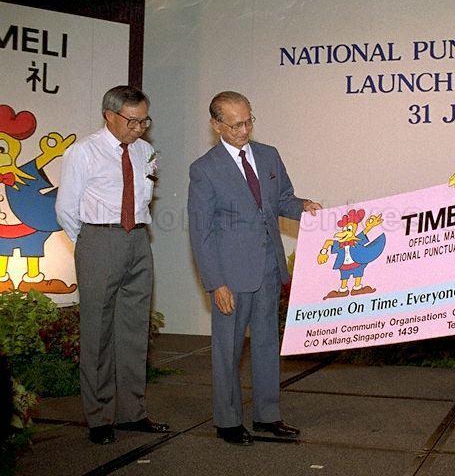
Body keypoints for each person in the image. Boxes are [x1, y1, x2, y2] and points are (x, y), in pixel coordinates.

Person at [188, 91, 321, 446]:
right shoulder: (204, 169)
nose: (244, 130)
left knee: (266, 344)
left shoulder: (269, 154)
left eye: (249, 121)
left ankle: (268, 414)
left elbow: (282, 200)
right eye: (235, 125)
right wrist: (216, 283)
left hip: (268, 268)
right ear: (216, 125)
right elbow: (200, 234)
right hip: (230, 276)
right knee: (227, 350)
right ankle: (228, 421)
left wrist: (303, 206)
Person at [56, 85, 169, 445]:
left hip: (139, 238)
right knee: (98, 333)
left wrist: (129, 235)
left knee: (135, 330)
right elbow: (65, 209)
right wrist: (89, 244)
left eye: (144, 120)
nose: (139, 128)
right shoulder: (83, 152)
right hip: (98, 239)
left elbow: (145, 196)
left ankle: (133, 412)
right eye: (132, 121)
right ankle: (100, 416)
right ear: (109, 115)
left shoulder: (146, 151)